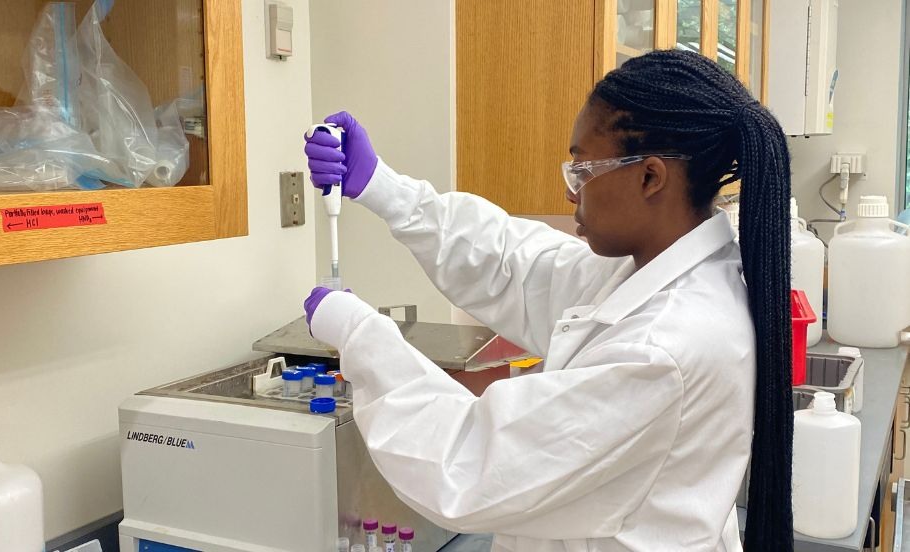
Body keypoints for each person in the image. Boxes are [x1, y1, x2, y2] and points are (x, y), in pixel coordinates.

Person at [302, 50, 792, 552]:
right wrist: (386, 190)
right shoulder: (656, 275)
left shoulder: (664, 346)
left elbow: (469, 462)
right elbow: (522, 266)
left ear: (650, 177)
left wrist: (359, 334)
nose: (571, 194)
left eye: (583, 171)